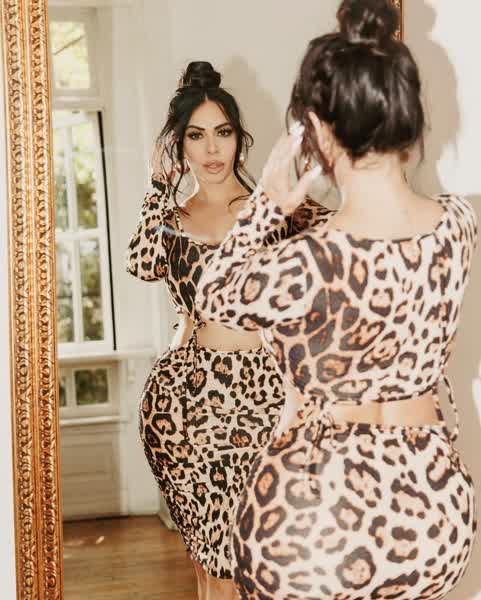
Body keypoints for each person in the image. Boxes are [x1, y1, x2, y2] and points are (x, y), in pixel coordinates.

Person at [195, 2, 478, 598]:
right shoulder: (459, 224)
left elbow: (213, 295)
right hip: (432, 511)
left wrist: (267, 205)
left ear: (319, 131)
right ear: (409, 118)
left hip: (317, 513)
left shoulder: (308, 261)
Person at [126, 61, 327, 599]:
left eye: (223, 132)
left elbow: (345, 250)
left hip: (265, 399)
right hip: (185, 405)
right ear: (178, 146)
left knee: (260, 561)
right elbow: (141, 262)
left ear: (240, 138)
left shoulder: (277, 209)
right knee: (209, 565)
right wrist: (157, 186)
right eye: (196, 136)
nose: (212, 149)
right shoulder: (172, 217)